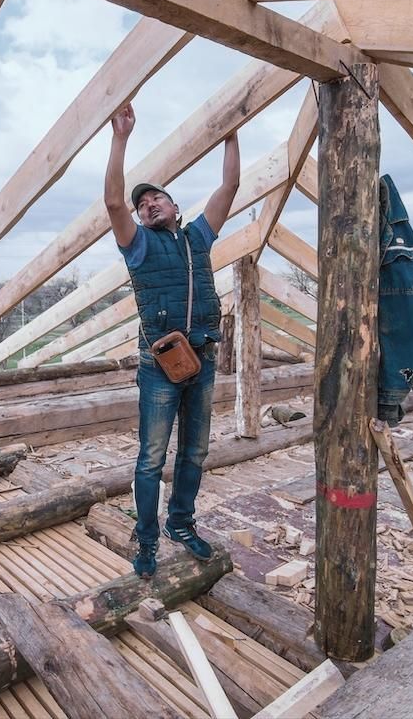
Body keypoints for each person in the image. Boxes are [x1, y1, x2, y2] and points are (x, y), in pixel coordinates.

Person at [105, 103, 240, 578]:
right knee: (150, 459)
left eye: (156, 199)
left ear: (175, 207)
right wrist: (120, 138)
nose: (147, 205)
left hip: (200, 359)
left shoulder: (197, 238)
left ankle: (180, 523)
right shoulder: (139, 245)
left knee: (196, 451)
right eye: (143, 205)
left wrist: (231, 132)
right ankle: (146, 540)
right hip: (159, 367)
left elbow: (229, 188)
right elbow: (114, 204)